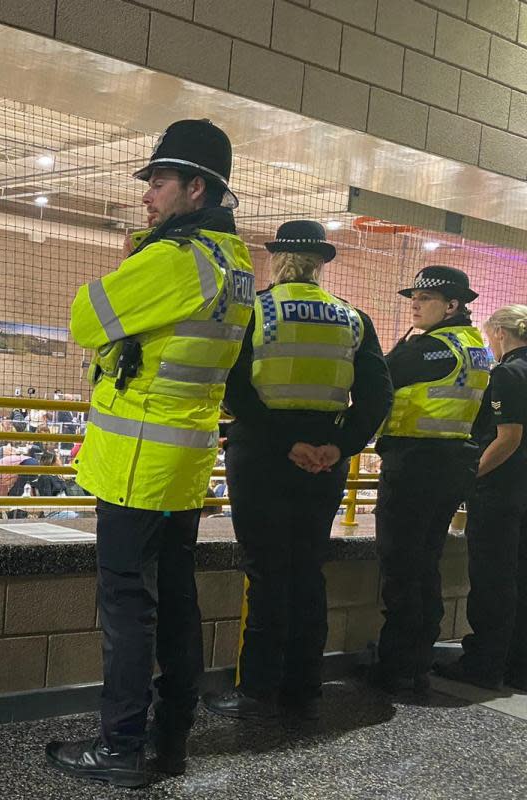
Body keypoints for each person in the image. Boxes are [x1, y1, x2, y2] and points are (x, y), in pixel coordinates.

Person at [47, 119, 254, 787]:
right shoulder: (237, 265)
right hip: (184, 461)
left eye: (159, 182)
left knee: (127, 609)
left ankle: (119, 748)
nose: (147, 195)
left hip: (137, 465)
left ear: (197, 187)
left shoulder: (173, 259)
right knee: (178, 599)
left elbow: (85, 317)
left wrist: (139, 255)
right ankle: (173, 726)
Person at [203, 221, 392, 720]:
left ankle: (257, 690)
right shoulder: (354, 318)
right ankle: (304, 684)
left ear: (278, 259)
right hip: (325, 461)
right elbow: (378, 396)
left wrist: (289, 443)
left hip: (264, 453)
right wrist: (338, 446)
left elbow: (233, 387)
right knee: (309, 568)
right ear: (319, 263)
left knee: (266, 570)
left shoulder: (255, 310)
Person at [371, 266, 490, 695]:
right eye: (414, 298)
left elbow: (377, 375)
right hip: (450, 463)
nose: (415, 305)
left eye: (426, 298)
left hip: (416, 464)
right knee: (425, 564)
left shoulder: (430, 349)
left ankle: (397, 667)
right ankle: (418, 661)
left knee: (402, 567)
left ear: (453, 305)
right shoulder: (474, 345)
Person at [435, 305, 527, 690]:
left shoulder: (508, 373)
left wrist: (467, 477)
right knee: (520, 578)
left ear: (501, 334)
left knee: (492, 580)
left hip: (501, 495)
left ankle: (483, 663)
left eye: (491, 337)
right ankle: (516, 664)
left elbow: (508, 438)